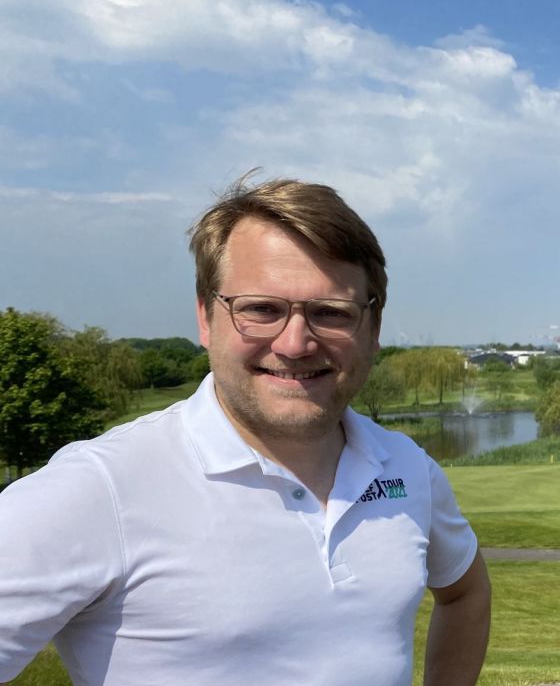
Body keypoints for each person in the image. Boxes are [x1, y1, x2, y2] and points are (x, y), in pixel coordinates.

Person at [0, 176, 490, 685]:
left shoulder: (407, 466)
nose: (295, 343)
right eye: (260, 309)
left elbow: (465, 591)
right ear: (205, 318)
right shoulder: (99, 488)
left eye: (330, 313)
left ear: (373, 329)